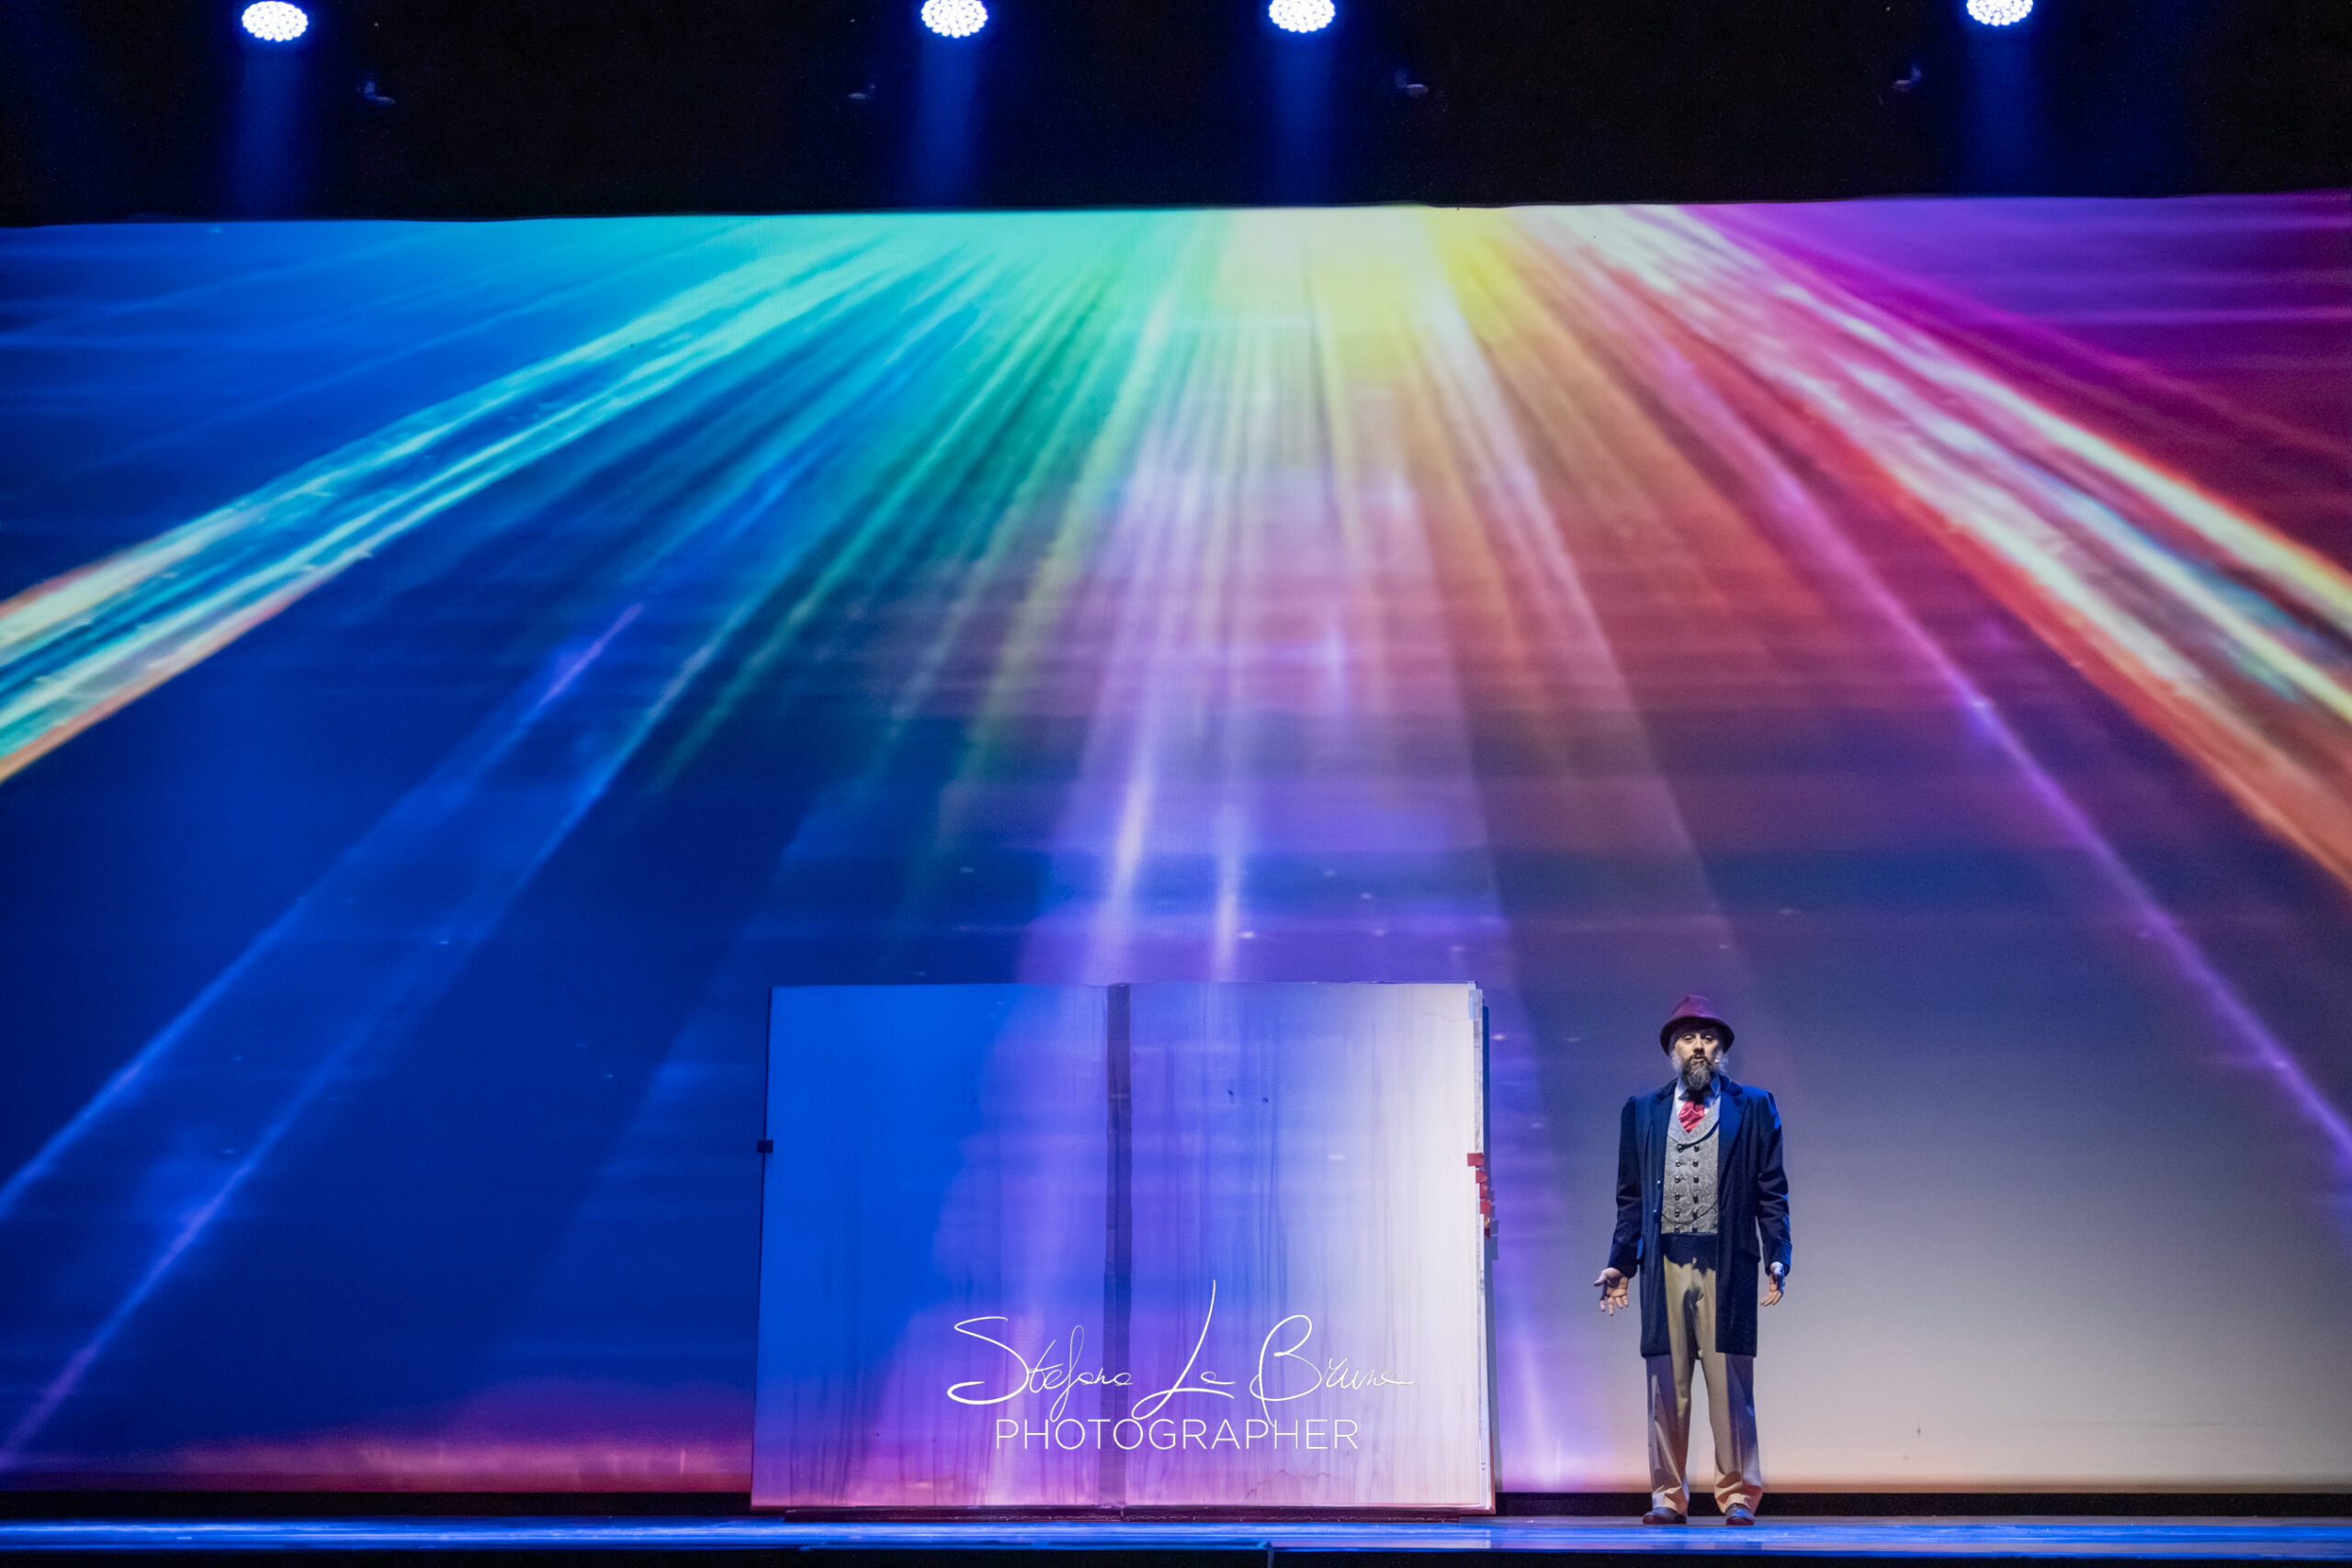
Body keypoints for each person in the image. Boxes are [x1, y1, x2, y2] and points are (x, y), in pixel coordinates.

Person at [1594, 994, 1791, 1526]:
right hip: (1666, 1263)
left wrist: (1777, 1255)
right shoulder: (1642, 1110)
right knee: (1667, 1383)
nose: (1698, 1046)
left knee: (1730, 1385)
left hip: (1727, 1262)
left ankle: (1738, 1496)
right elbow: (1631, 1197)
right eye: (1687, 1037)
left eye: (1708, 1037)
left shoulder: (1755, 1106)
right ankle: (1667, 1495)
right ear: (1672, 1050)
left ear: (1721, 1049)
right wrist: (1622, 1264)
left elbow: (1771, 1190)